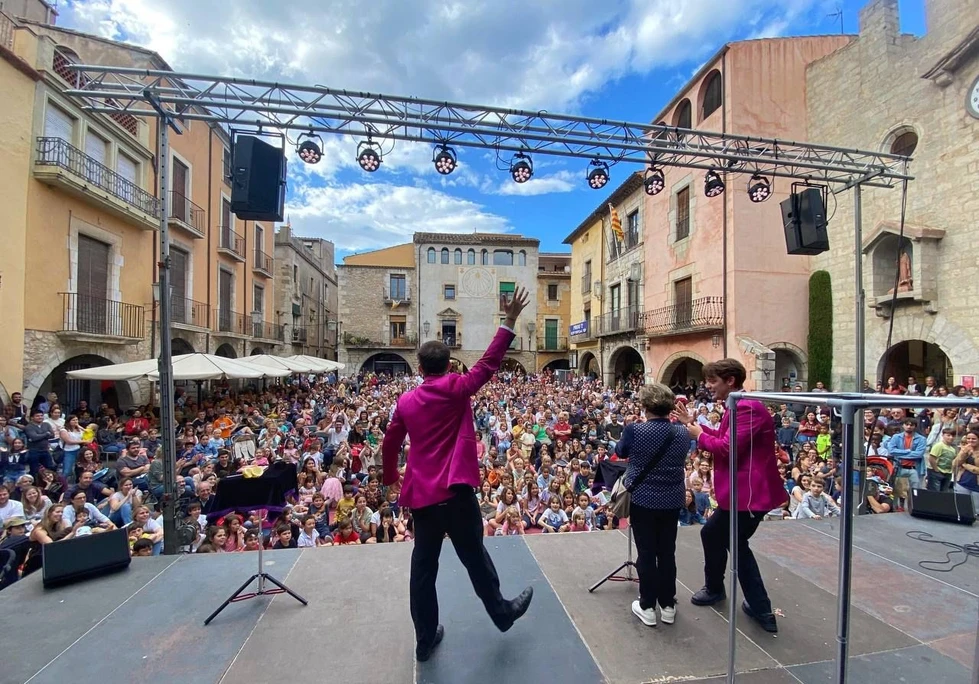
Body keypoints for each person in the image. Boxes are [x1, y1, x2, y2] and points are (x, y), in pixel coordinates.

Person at [382, 286, 534, 662]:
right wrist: (509, 320)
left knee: (423, 570)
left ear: (419, 369)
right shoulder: (457, 388)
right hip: (456, 491)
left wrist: (390, 476)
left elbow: (389, 443)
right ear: (449, 365)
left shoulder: (405, 401)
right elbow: (487, 365)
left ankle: (424, 639)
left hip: (423, 498)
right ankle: (501, 613)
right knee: (475, 557)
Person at [672, 359, 786, 634]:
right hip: (741, 494)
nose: (707, 386)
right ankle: (725, 593)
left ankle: (759, 607)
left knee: (734, 544)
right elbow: (724, 437)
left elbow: (726, 448)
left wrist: (698, 435)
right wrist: (694, 424)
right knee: (715, 535)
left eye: (712, 381)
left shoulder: (747, 408)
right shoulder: (736, 406)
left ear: (730, 380)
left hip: (749, 495)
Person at [617, 383, 689, 628]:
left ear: (645, 406)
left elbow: (620, 451)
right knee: (667, 552)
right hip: (672, 500)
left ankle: (647, 606)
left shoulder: (634, 430)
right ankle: (668, 605)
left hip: (644, 500)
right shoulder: (682, 432)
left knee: (646, 553)